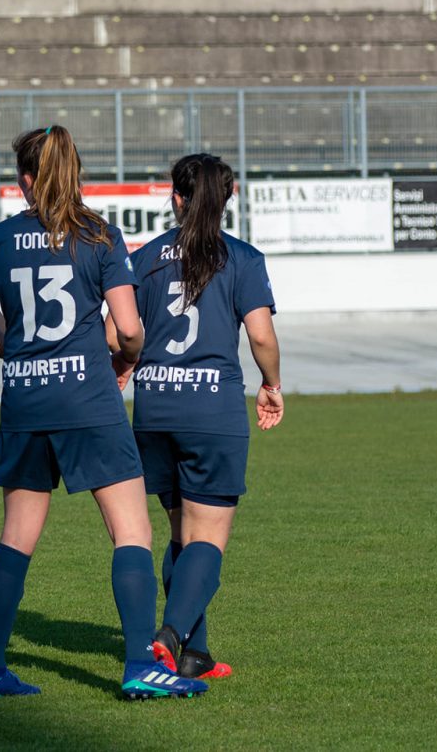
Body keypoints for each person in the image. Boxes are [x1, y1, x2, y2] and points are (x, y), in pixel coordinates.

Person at [0, 126, 206, 700]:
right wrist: (122, 359)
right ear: (74, 173)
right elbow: (128, 329)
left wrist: (25, 356)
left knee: (15, 537)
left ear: (24, 180)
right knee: (131, 532)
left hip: (25, 400)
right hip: (88, 400)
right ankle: (137, 665)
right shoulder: (100, 236)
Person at [127, 154, 283, 682]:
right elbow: (260, 335)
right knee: (207, 541)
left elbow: (118, 333)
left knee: (180, 535)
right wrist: (272, 384)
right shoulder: (241, 257)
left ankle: (195, 652)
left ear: (175, 198)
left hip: (153, 407)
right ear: (229, 196)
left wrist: (126, 367)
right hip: (211, 409)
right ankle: (168, 638)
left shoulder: (145, 256)